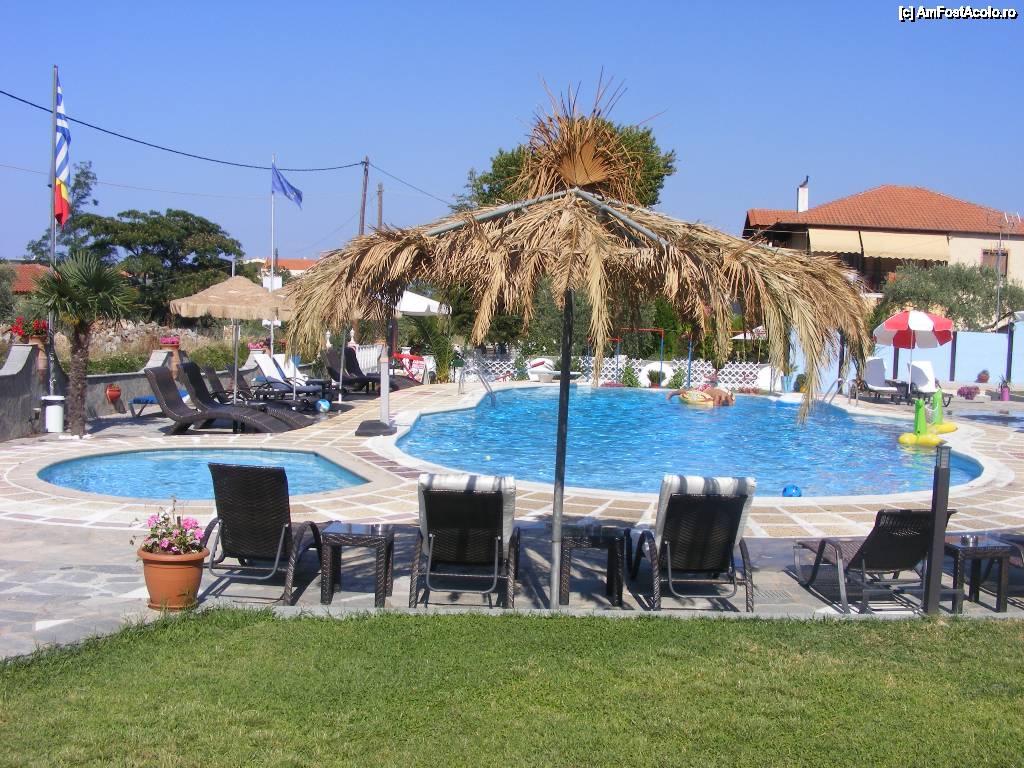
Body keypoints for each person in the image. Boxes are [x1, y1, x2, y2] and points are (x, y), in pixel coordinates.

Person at [667, 386, 735, 406]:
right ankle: (672, 393)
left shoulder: (727, 397)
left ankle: (672, 393)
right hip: (704, 390)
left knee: (689, 390)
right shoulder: (720, 397)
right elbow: (715, 406)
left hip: (710, 389)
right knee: (688, 391)